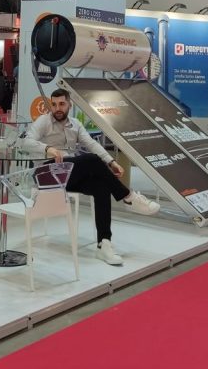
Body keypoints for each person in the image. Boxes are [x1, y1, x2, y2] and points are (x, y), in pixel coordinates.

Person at [21, 89, 160, 266]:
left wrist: (111, 162)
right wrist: (48, 149)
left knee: (101, 186)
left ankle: (104, 244)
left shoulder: (75, 124)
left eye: (62, 104)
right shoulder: (44, 121)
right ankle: (128, 196)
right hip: (46, 173)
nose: (57, 108)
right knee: (91, 160)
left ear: (69, 105)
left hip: (68, 174)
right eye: (54, 104)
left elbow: (92, 144)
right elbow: (26, 142)